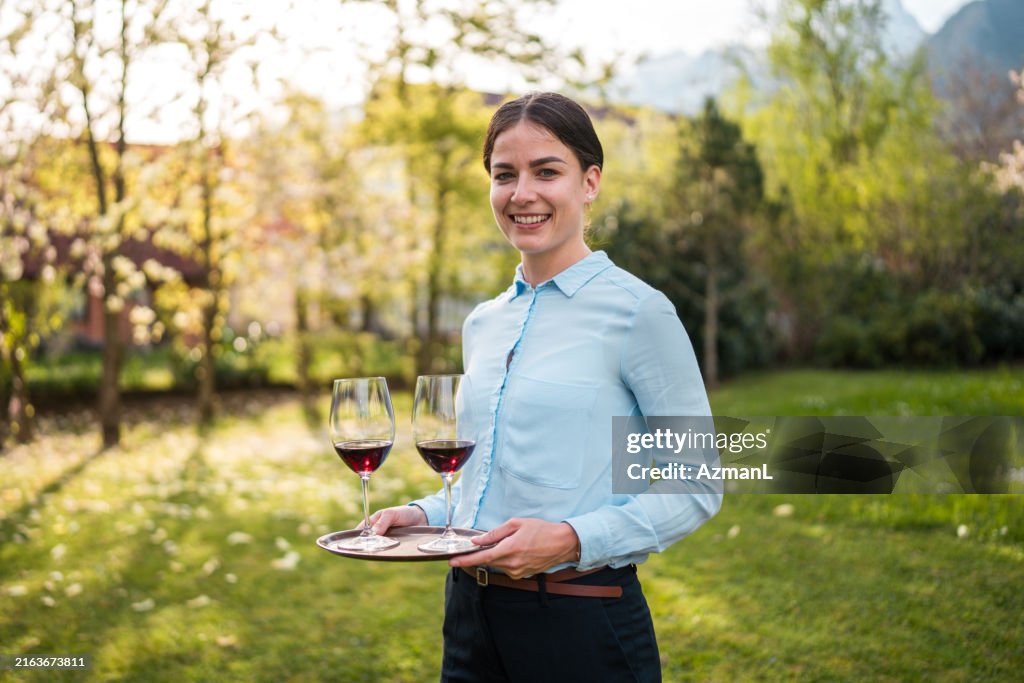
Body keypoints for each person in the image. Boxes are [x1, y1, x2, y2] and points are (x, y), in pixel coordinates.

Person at [370, 92, 722, 682]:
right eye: (504, 175)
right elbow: (489, 485)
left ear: (589, 183)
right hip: (469, 619)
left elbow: (698, 485)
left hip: (581, 623)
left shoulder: (639, 312)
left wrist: (569, 539)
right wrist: (422, 515)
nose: (521, 193)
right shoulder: (482, 323)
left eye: (546, 171)